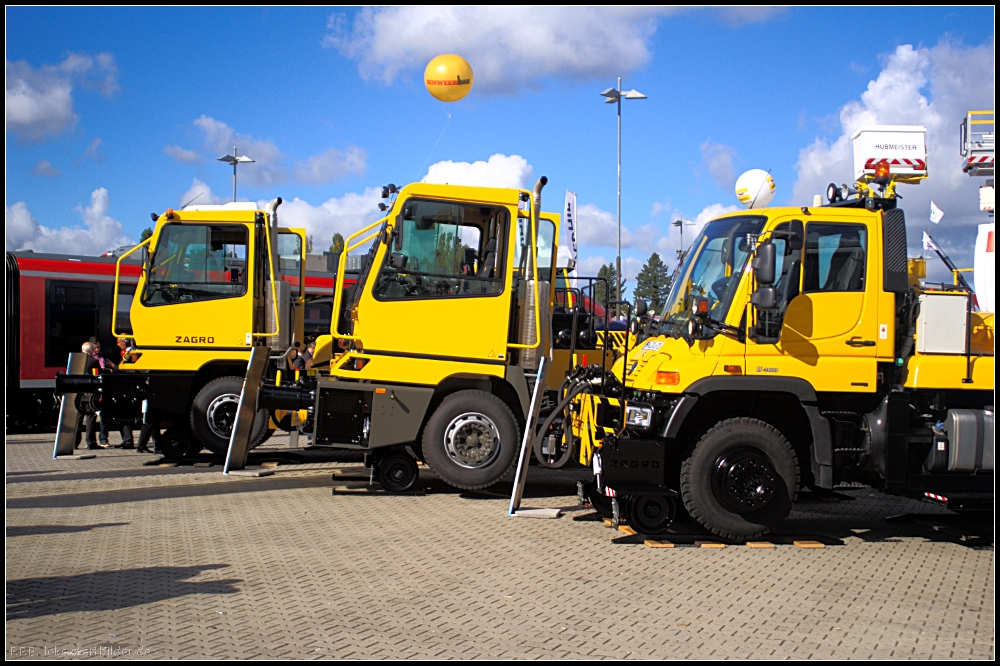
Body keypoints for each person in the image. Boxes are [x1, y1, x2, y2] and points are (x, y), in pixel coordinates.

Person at [74, 342, 103, 450]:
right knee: (90, 417)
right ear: (91, 350)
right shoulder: (93, 361)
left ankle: (75, 443)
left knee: (78, 419)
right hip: (89, 395)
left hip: (78, 395)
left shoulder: (75, 361)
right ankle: (90, 442)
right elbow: (97, 376)